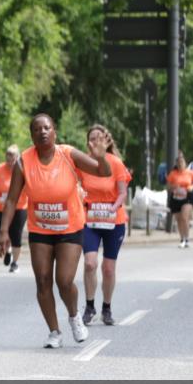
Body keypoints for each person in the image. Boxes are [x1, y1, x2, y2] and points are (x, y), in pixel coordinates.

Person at [0, 114, 111, 349]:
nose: (43, 132)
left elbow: (103, 172)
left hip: (69, 227)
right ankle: (54, 331)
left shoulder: (68, 154)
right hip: (40, 229)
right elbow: (11, 201)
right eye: (37, 129)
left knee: (64, 280)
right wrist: (3, 232)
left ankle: (74, 316)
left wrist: (101, 157)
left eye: (47, 127)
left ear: (55, 132)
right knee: (43, 280)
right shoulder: (23, 162)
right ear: (32, 135)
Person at [77, 125, 131, 326]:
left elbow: (122, 192)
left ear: (105, 141)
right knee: (90, 263)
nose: (95, 142)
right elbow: (76, 184)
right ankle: (89, 306)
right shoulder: (82, 162)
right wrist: (79, 194)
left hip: (112, 219)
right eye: (92, 138)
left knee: (108, 268)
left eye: (99, 138)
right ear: (88, 143)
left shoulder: (115, 163)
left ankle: (106, 307)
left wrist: (114, 207)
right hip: (90, 219)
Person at [0, 145, 28, 273]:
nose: (9, 158)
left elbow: (29, 187)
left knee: (16, 235)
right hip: (0, 207)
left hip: (19, 207)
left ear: (17, 157)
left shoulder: (23, 169)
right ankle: (8, 251)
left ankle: (15, 263)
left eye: (12, 156)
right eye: (8, 155)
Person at [166, 151, 193, 248]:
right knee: (179, 219)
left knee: (184, 217)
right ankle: (182, 239)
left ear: (185, 163)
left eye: (182, 162)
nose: (180, 164)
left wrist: (191, 187)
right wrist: (173, 187)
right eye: (179, 163)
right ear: (176, 164)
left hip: (187, 196)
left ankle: (187, 238)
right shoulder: (172, 174)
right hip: (176, 197)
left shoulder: (190, 173)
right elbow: (168, 186)